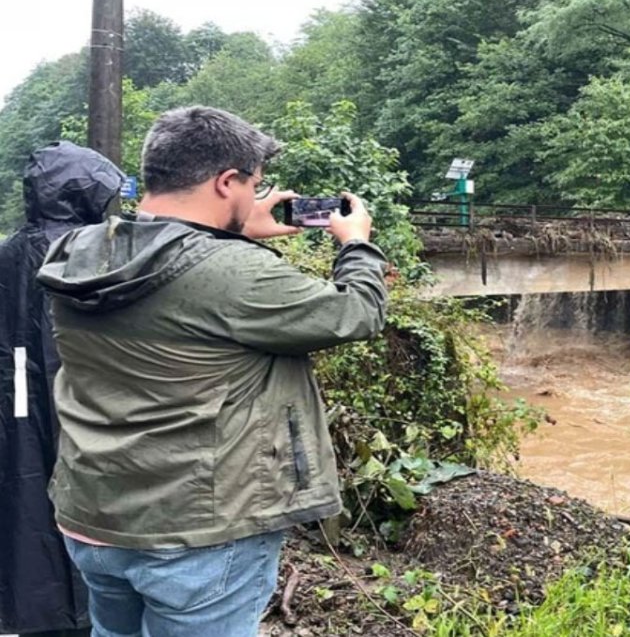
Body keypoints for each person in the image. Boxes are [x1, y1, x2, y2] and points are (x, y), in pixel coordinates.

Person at [35, 106, 389, 637]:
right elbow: (357, 313)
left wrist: (237, 230)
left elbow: (179, 272)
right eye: (253, 185)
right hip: (197, 531)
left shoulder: (79, 250)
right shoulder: (235, 273)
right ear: (227, 181)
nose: (255, 195)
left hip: (93, 516)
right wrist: (356, 243)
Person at [1, 141, 122, 637]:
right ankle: (89, 613)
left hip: (18, 399)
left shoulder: (11, 251)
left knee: (26, 490)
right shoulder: (102, 249)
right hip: (88, 400)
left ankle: (35, 610)